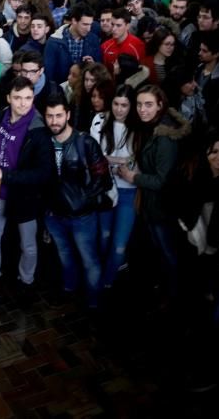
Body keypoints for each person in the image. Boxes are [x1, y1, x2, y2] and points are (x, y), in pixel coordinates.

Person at [0, 77, 55, 292]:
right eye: (18, 98)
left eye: (28, 98)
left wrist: (7, 176)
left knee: (28, 245)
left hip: (24, 197)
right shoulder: (1, 116)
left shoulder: (38, 130)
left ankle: (26, 281)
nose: (24, 103)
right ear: (9, 98)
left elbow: (44, 173)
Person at [119, 85, 191, 305]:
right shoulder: (152, 127)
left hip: (162, 207)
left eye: (148, 104)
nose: (142, 109)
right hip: (153, 205)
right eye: (139, 104)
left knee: (169, 253)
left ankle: (176, 297)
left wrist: (133, 177)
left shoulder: (165, 136)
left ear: (160, 105)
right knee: (161, 250)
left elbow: (162, 180)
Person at [43, 92, 112, 309]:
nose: (54, 121)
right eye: (50, 116)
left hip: (82, 217)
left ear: (68, 115)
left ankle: (94, 301)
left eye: (58, 115)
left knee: (89, 260)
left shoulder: (85, 142)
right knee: (65, 256)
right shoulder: (43, 142)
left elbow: (103, 179)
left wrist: (83, 201)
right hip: (54, 215)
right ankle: (69, 290)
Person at [90, 84, 139, 291]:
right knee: (104, 237)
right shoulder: (100, 120)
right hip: (105, 188)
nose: (120, 109)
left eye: (125, 105)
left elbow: (137, 163)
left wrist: (110, 160)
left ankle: (106, 283)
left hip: (128, 190)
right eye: (116, 104)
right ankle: (100, 278)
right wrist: (121, 160)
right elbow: (93, 157)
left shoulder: (139, 127)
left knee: (119, 246)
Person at [43, 4, 101, 85]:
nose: (89, 29)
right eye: (85, 24)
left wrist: (93, 65)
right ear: (74, 21)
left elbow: (100, 71)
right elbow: (49, 75)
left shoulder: (93, 40)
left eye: (90, 24)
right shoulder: (54, 42)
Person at [101, 9, 145, 74]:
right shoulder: (105, 46)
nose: (113, 29)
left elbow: (143, 73)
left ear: (127, 26)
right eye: (112, 24)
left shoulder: (138, 46)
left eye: (118, 25)